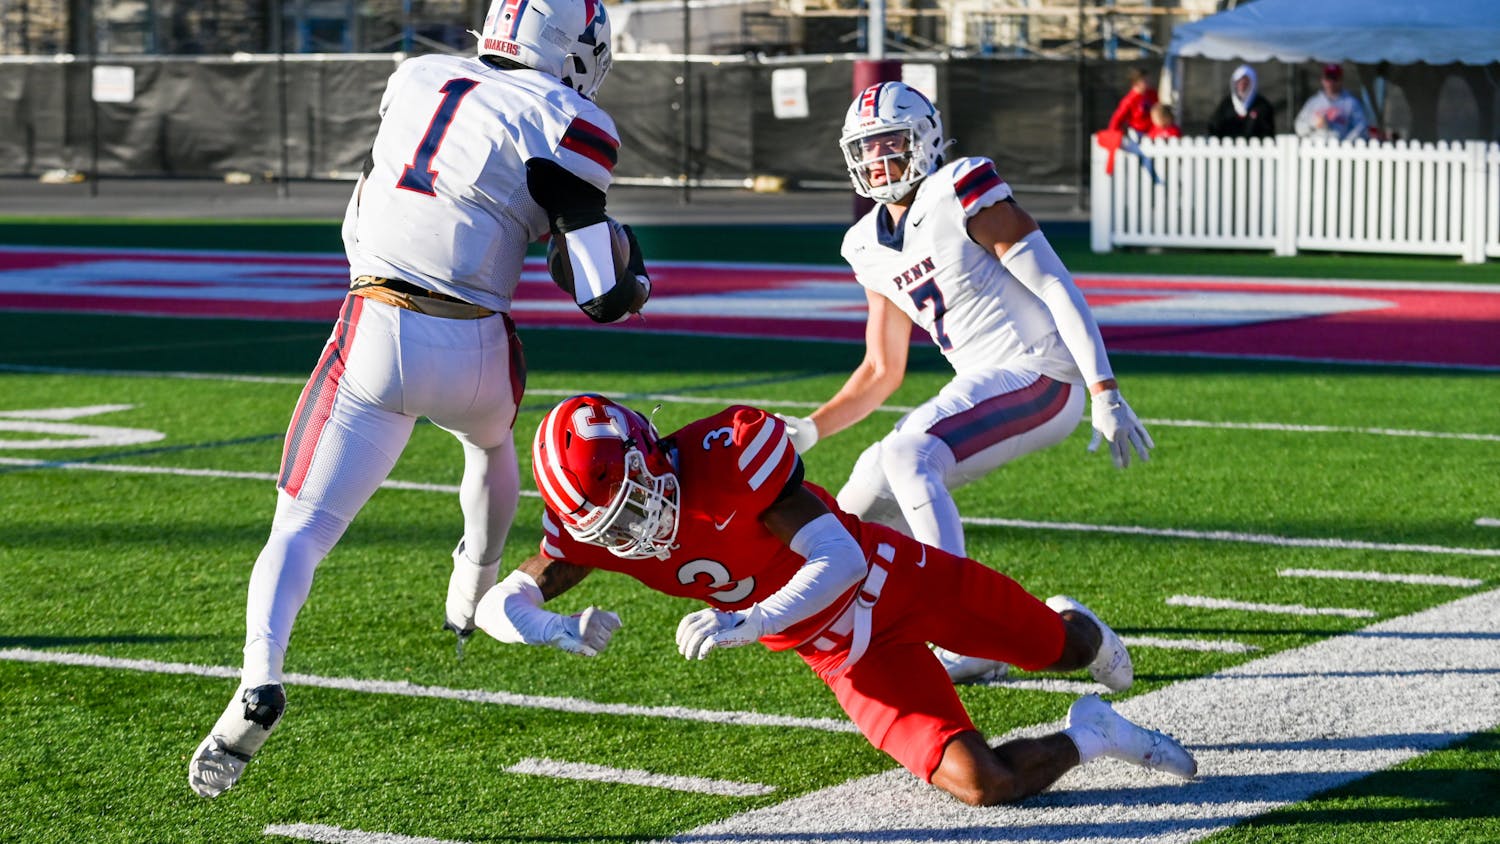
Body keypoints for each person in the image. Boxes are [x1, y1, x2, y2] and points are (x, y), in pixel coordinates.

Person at [187, 0, 652, 799]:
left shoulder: (416, 77)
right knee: (490, 447)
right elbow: (603, 297)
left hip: (374, 328)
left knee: (298, 530)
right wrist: (626, 268)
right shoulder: (571, 120)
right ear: (573, 48)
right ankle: (473, 587)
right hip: (474, 342)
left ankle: (256, 680)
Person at [475, 393, 1196, 807]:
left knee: (1058, 648)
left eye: (633, 505)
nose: (636, 533)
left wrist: (752, 620)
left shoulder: (729, 453)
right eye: (613, 527)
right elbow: (497, 602)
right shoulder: (601, 532)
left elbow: (841, 556)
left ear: (648, 452)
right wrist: (550, 628)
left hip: (896, 582)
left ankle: (1080, 628)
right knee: (981, 785)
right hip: (842, 655)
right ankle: (1092, 734)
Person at [774, 81, 1153, 683]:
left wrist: (1103, 387)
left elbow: (1055, 283)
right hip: (984, 381)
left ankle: (968, 631)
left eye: (890, 143)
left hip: (1043, 374)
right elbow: (881, 369)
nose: (877, 160)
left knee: (908, 452)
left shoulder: (961, 188)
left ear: (924, 140)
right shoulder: (865, 243)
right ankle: (876, 626)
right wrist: (809, 430)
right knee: (854, 508)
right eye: (866, 149)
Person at [1294, 63, 1368, 141]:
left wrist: (1346, 142)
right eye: (1328, 78)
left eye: (1334, 78)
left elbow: (1361, 127)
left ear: (1341, 80)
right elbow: (1298, 127)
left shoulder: (1351, 102)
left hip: (1341, 149)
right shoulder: (1313, 102)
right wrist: (1313, 124)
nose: (1331, 82)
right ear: (1322, 80)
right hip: (1316, 148)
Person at [1207, 64, 1275, 139]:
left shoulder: (1262, 106)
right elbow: (1214, 126)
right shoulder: (1226, 105)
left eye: (1245, 83)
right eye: (1239, 82)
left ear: (1252, 84)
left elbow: (1267, 132)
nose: (1242, 86)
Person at [1106, 66, 1158, 135]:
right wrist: (1112, 133)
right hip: (1138, 133)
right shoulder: (1129, 100)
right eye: (1145, 81)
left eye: (1148, 80)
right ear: (1136, 83)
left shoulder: (1152, 94)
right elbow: (1117, 118)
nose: (1149, 82)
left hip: (1153, 131)